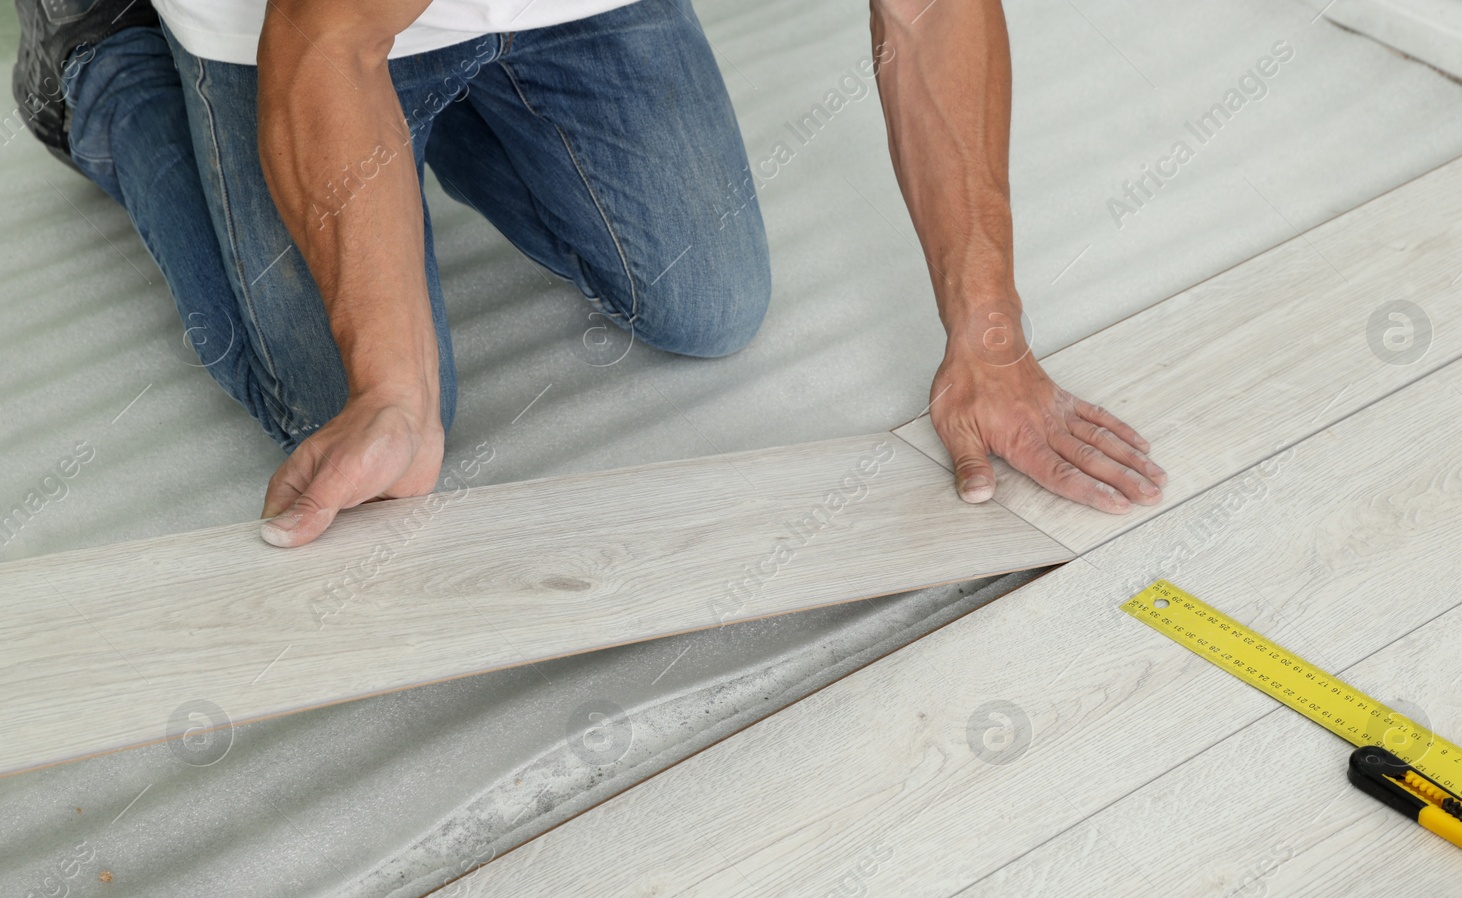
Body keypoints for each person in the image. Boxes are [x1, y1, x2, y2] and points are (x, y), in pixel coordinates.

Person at [14, 0, 1166, 547]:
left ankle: (450, 116)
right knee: (353, 413)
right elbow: (325, 40)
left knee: (709, 300)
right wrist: (395, 393)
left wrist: (989, 339)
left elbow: (928, 13)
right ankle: (102, 57)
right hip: (291, 23)